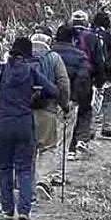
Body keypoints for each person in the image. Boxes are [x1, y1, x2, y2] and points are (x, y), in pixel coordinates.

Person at [0, 37, 56, 220]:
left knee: (5, 167)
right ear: (27, 55)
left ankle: (7, 208)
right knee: (24, 168)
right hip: (24, 124)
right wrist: (36, 96)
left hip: (2, 124)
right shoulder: (31, 71)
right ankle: (24, 210)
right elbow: (53, 91)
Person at [29, 33, 71, 183]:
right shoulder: (54, 58)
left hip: (22, 111)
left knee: (27, 148)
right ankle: (43, 181)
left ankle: (22, 182)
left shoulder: (19, 57)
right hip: (47, 109)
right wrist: (65, 105)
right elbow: (63, 84)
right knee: (47, 147)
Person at [51, 25, 95, 155]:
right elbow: (83, 79)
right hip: (70, 97)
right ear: (73, 39)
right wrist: (76, 98)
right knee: (67, 128)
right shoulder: (80, 56)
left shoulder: (48, 54)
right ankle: (68, 151)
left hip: (49, 99)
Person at [87, 11, 111, 140]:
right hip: (108, 73)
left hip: (91, 73)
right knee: (107, 100)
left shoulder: (88, 36)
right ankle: (107, 126)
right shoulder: (110, 38)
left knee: (93, 101)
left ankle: (90, 128)